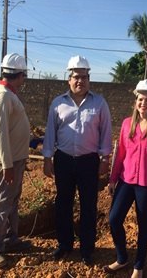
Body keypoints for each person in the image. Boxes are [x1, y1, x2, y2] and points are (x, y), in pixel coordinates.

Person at [41, 55, 112, 265]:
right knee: (63, 203)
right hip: (63, 160)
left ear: (89, 79)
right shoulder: (58, 103)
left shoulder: (99, 103)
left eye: (84, 77)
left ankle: (87, 249)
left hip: (88, 161)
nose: (80, 80)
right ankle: (64, 245)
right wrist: (47, 158)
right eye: (76, 77)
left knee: (88, 205)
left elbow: (105, 132)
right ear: (68, 79)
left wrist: (105, 158)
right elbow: (50, 132)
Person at [103, 79, 147, 278]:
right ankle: (122, 258)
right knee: (114, 218)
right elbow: (120, 154)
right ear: (136, 102)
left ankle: (138, 266)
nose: (144, 103)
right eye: (141, 99)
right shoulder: (126, 124)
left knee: (143, 224)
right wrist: (113, 179)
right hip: (126, 180)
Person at [0, 53, 32, 268]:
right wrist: (7, 165)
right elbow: (1, 134)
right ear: (19, 74)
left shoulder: (8, 94)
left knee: (12, 202)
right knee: (3, 203)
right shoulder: (3, 96)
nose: (24, 80)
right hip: (8, 161)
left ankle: (10, 239)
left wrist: (29, 142)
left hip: (16, 158)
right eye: (24, 75)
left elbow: (11, 129)